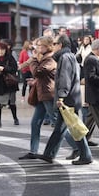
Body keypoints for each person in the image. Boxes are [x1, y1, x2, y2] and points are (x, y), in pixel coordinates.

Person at [37, 34, 92, 165]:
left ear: (60, 45)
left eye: (55, 43)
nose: (53, 46)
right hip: (72, 97)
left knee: (74, 127)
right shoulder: (69, 56)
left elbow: (65, 78)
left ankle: (86, 155)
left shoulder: (65, 58)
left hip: (68, 99)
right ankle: (49, 154)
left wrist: (61, 96)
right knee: (60, 128)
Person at [18, 36, 57, 160]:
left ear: (48, 46)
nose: (38, 48)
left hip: (48, 94)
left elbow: (38, 72)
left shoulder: (51, 58)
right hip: (42, 94)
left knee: (58, 124)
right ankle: (33, 151)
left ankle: (79, 148)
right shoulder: (43, 57)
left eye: (41, 45)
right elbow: (40, 76)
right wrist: (35, 82)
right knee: (35, 123)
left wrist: (33, 61)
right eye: (38, 45)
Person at [83, 39, 99, 146]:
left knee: (90, 119)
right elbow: (91, 77)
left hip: (95, 95)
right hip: (96, 95)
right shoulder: (91, 59)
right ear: (97, 49)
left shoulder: (94, 58)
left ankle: (83, 139)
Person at [0, 41, 19, 127]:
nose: (1, 51)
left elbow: (14, 69)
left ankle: (15, 118)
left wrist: (4, 68)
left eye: (2, 49)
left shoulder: (10, 58)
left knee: (12, 103)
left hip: (9, 84)